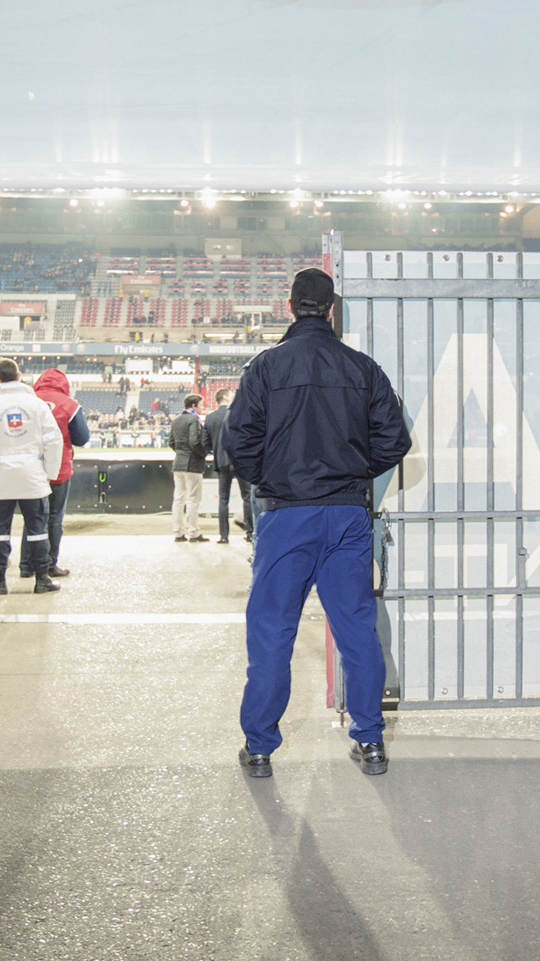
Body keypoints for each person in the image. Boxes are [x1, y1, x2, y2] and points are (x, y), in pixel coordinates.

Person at [222, 268, 412, 779]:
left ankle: (259, 748)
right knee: (356, 630)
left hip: (288, 514)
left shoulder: (264, 368)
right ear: (332, 310)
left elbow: (238, 443)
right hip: (348, 514)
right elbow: (395, 442)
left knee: (271, 631)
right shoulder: (363, 368)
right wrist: (351, 472)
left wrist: (276, 478)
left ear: (290, 307)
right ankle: (370, 742)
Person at [0, 358, 63, 595]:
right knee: (38, 529)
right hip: (33, 479)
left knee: (0, 531)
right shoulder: (37, 406)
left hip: (0, 481)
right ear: (19, 376)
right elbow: (54, 441)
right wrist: (48, 474)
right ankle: (42, 579)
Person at [19, 368, 89, 579]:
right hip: (59, 468)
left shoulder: (26, 401)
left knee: (31, 517)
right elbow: (82, 438)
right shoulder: (70, 405)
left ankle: (26, 565)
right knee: (54, 518)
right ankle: (49, 564)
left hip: (30, 468)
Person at [203, 388, 252, 544]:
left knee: (223, 499)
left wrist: (216, 451)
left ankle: (224, 536)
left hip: (222, 462)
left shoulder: (210, 418)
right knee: (247, 497)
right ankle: (250, 532)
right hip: (240, 462)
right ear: (225, 397)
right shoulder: (239, 414)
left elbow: (205, 443)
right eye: (231, 394)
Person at [168, 393, 209, 543]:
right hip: (192, 464)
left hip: (178, 463)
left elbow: (171, 442)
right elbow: (194, 441)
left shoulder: (177, 420)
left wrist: (180, 453)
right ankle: (193, 532)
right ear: (194, 406)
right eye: (201, 404)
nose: (203, 407)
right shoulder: (194, 420)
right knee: (193, 499)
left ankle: (178, 533)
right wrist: (204, 454)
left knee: (178, 499)